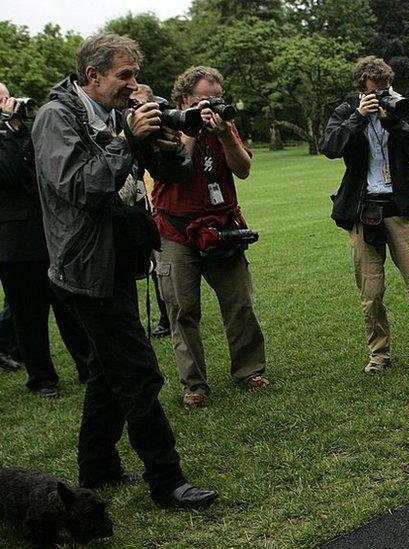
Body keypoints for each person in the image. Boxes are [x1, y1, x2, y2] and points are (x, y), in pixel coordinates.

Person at [31, 32, 217, 508]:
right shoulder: (56, 117)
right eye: (125, 75)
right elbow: (82, 187)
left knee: (105, 371)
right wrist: (127, 140)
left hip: (116, 259)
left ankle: (98, 467)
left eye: (136, 74)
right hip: (84, 266)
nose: (135, 86)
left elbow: (172, 174)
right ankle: (167, 481)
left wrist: (170, 142)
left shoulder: (115, 115)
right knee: (138, 373)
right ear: (92, 76)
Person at [320, 55, 409, 374]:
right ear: (361, 89)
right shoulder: (345, 112)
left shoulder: (404, 107)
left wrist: (394, 119)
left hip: (400, 208)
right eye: (375, 91)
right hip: (362, 209)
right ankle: (379, 354)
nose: (382, 94)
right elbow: (329, 147)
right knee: (371, 292)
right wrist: (357, 118)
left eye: (386, 88)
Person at [152, 66, 269, 408]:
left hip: (223, 225)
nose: (212, 105)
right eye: (205, 99)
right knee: (183, 309)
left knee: (240, 303)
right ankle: (194, 384)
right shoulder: (164, 123)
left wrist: (224, 134)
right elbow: (174, 169)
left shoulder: (224, 125)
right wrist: (191, 128)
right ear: (185, 98)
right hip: (176, 229)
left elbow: (243, 170)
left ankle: (250, 370)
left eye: (217, 98)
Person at [1, 81, 95, 398]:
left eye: (6, 96)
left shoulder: (25, 131)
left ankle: (88, 366)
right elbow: (10, 173)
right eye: (2, 100)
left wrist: (20, 129)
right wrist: (10, 132)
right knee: (28, 315)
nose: (9, 102)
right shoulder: (10, 136)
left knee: (68, 306)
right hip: (14, 243)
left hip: (50, 235)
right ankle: (42, 378)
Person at [130, 83, 171, 339]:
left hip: (158, 208)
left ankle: (167, 317)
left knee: (161, 267)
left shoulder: (160, 134)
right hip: (136, 209)